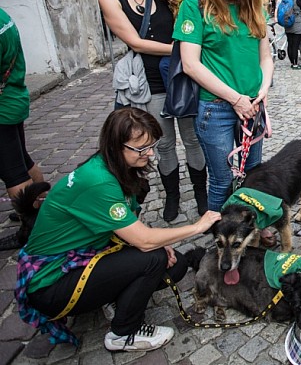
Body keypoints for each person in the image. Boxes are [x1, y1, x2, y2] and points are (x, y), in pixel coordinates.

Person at [16, 107, 221, 351]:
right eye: (141, 149)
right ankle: (124, 333)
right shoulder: (99, 181)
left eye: (151, 145)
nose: (150, 153)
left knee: (174, 266)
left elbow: (129, 224)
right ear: (116, 146)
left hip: (81, 258)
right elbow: (143, 241)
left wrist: (161, 241)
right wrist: (197, 227)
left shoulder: (113, 167)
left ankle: (111, 297)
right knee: (153, 258)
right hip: (50, 283)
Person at [99, 0, 207, 223]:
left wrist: (188, 50)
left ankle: (201, 195)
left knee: (192, 139)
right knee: (163, 144)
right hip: (150, 83)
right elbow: (136, 42)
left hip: (181, 77)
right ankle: (172, 196)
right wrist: (182, 48)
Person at [173, 0, 274, 216]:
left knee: (253, 176)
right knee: (221, 180)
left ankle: (252, 229)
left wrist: (262, 90)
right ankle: (220, 240)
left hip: (252, 106)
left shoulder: (254, 7)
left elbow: (265, 57)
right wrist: (235, 99)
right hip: (215, 109)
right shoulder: (195, 5)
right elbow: (191, 64)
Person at [0, 7, 45, 246]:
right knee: (24, 162)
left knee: (14, 172)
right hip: (13, 98)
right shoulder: (2, 16)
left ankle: (31, 229)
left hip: (3, 109)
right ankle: (35, 207)